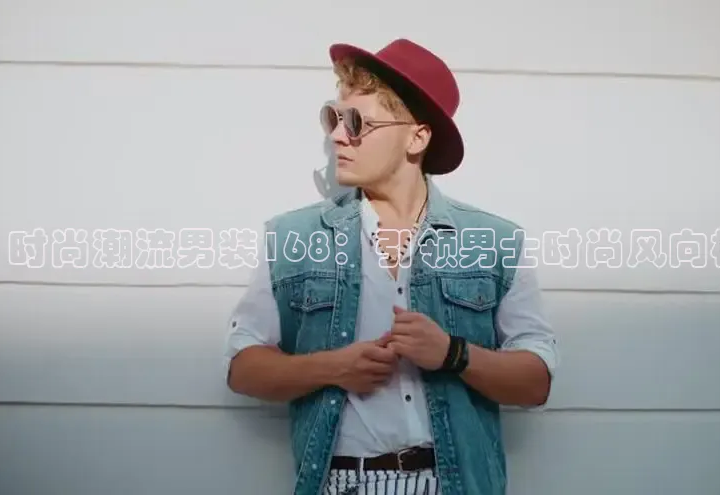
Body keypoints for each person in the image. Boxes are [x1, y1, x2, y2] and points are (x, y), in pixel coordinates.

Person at [224, 38, 559, 495]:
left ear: (416, 137)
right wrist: (332, 367)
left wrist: (452, 354)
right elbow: (242, 367)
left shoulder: (493, 241)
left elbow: (536, 382)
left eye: (356, 122)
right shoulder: (292, 238)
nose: (337, 136)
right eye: (333, 119)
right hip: (341, 483)